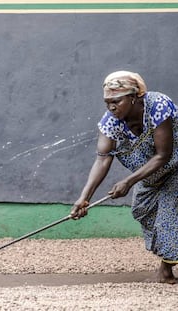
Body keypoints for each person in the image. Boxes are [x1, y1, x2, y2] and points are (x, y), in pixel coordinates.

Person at [70, 70, 178, 284]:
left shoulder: (157, 105)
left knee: (168, 216)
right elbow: (102, 158)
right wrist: (84, 197)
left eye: (116, 101)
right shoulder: (111, 122)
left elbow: (163, 155)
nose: (111, 107)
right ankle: (169, 262)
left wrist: (128, 182)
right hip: (149, 177)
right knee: (142, 210)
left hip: (174, 166)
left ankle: (165, 272)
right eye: (107, 102)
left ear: (133, 96)